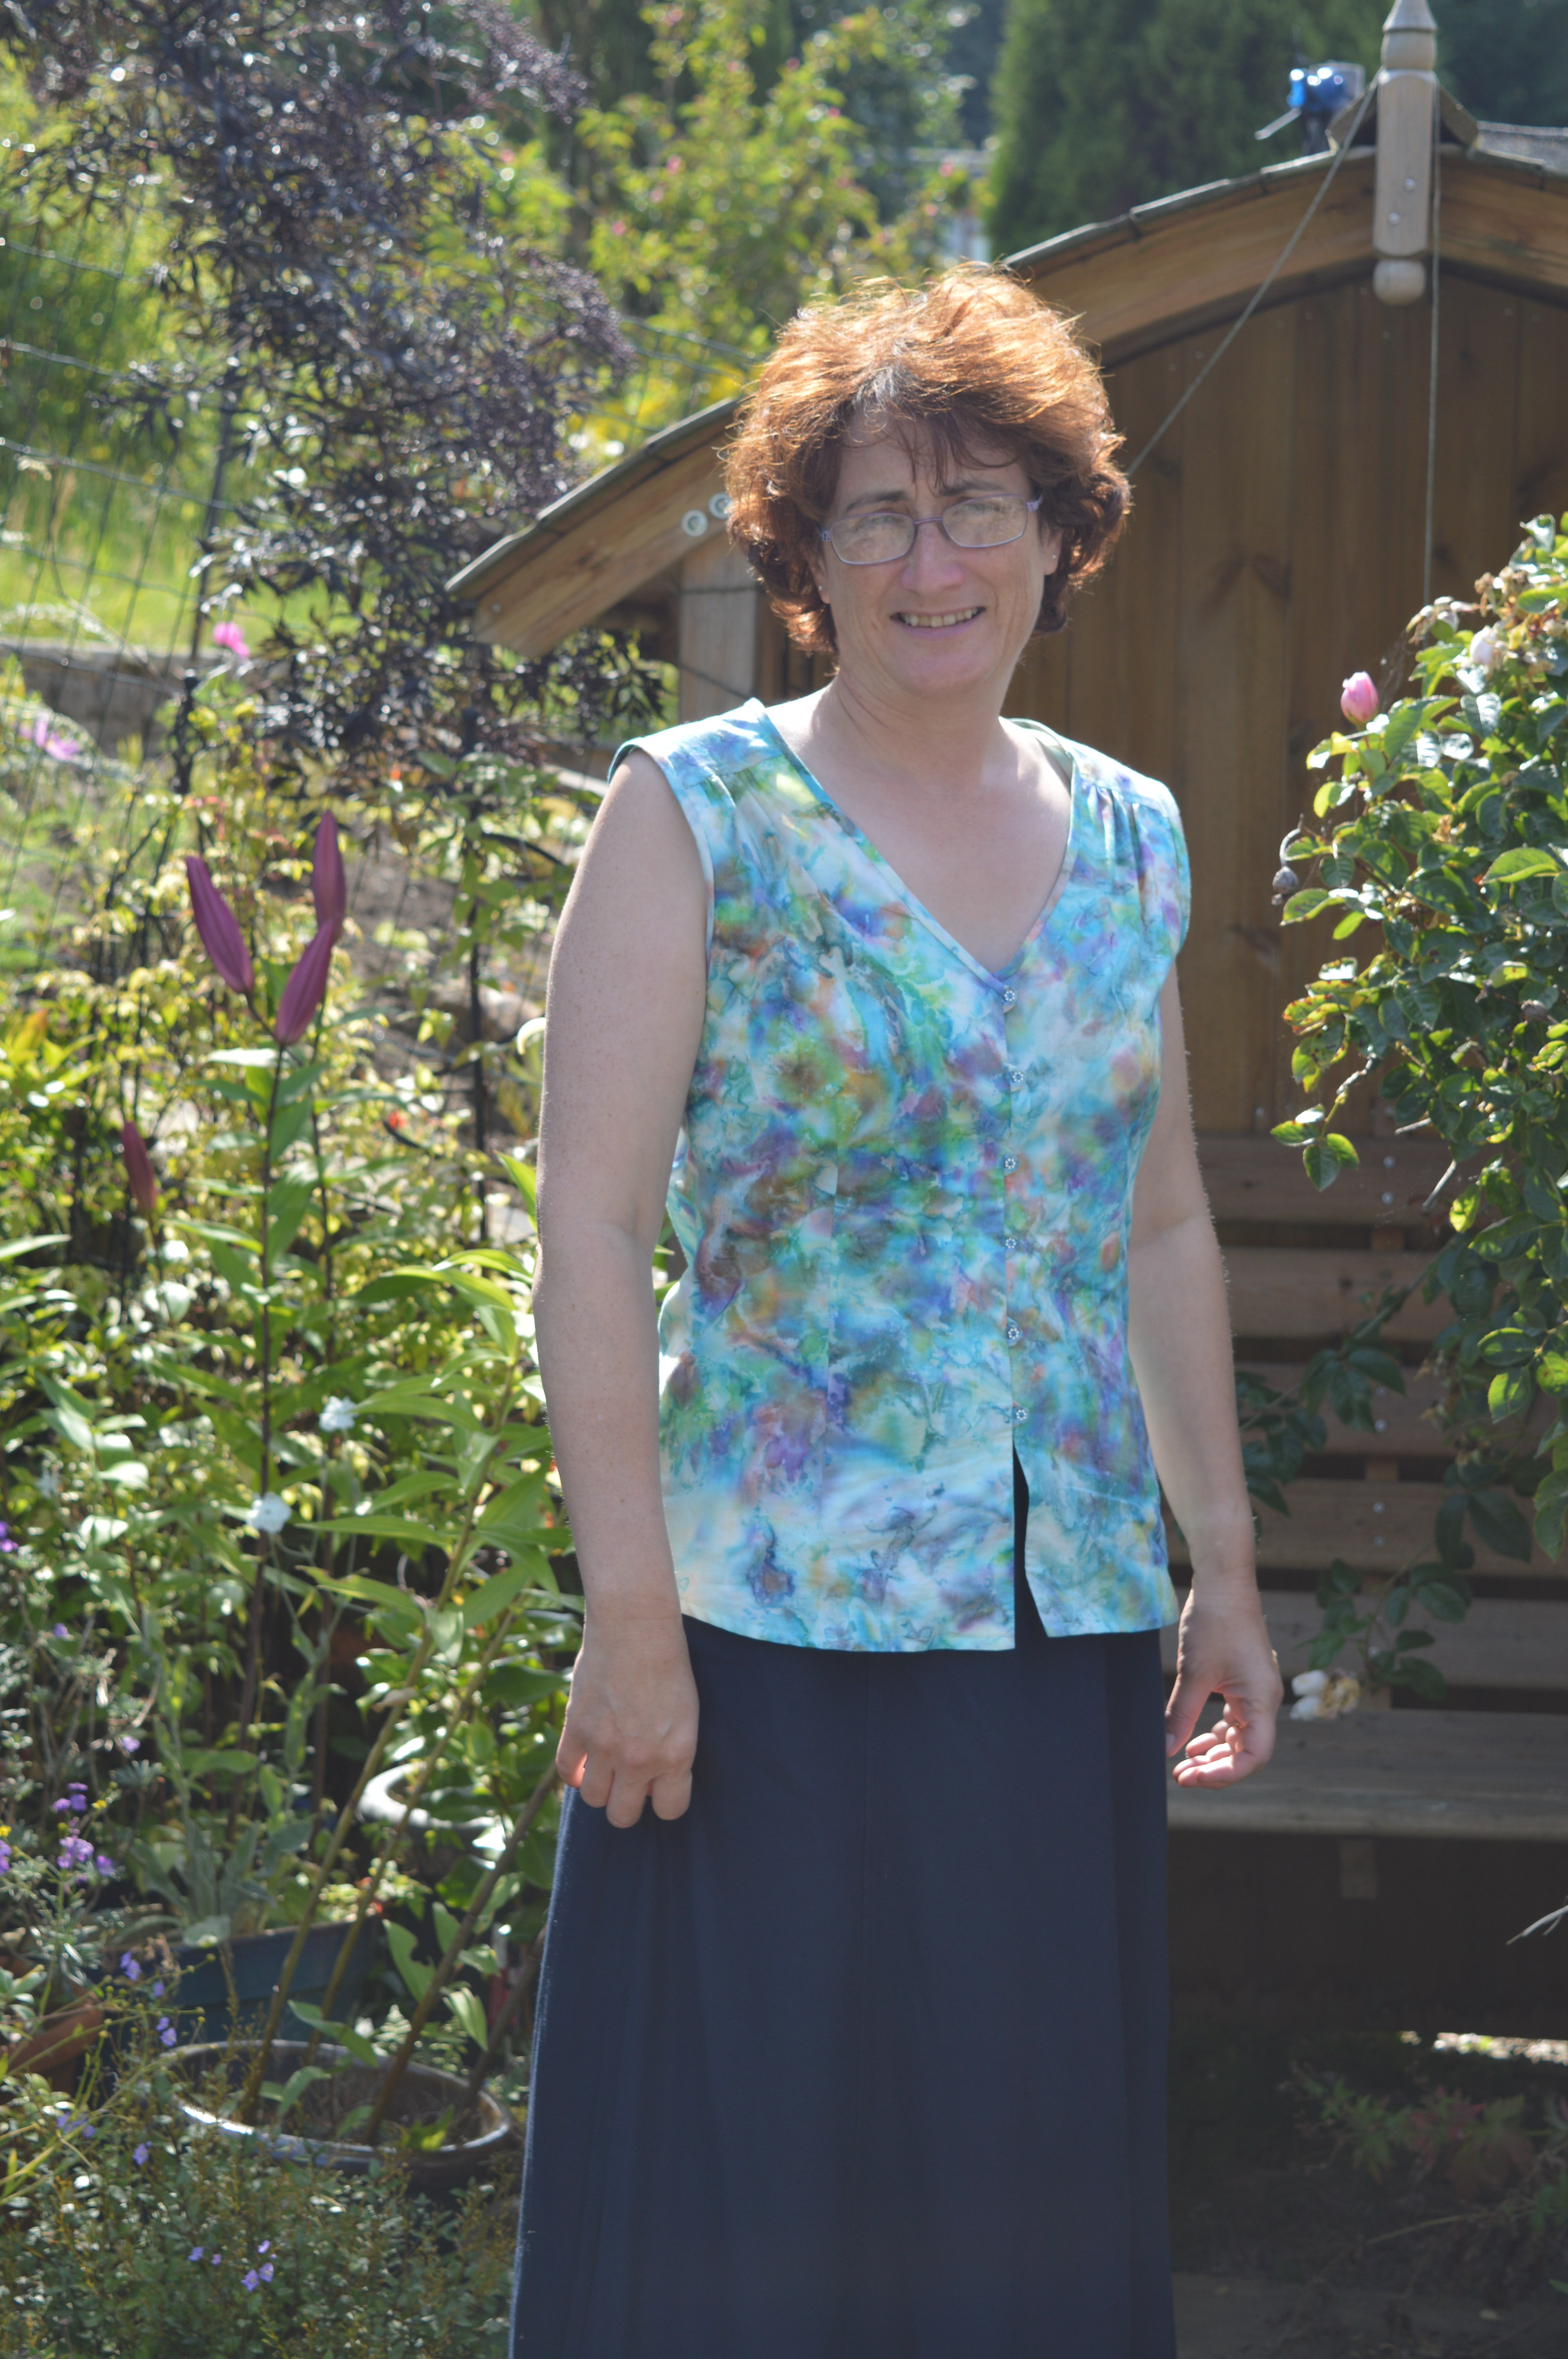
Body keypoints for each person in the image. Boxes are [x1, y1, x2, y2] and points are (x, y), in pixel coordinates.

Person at [511, 266, 1281, 2359]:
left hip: (1054, 1646)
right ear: (806, 555)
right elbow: (591, 1233)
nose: (932, 564)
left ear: (1061, 529)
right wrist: (631, 1623)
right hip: (758, 1656)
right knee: (749, 2217)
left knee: (1009, 2205)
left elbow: (1159, 1225)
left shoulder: (1133, 839)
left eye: (976, 507)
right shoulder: (694, 817)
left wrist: (1221, 1568)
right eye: (877, 514)